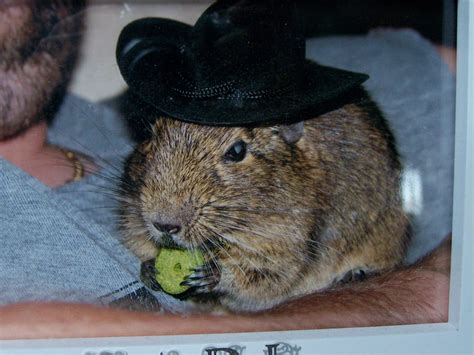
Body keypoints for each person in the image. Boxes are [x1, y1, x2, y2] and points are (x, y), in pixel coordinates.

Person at [0, 0, 452, 339]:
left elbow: (275, 271)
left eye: (234, 153)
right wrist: (415, 297)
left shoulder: (257, 122)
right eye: (155, 139)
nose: (164, 210)